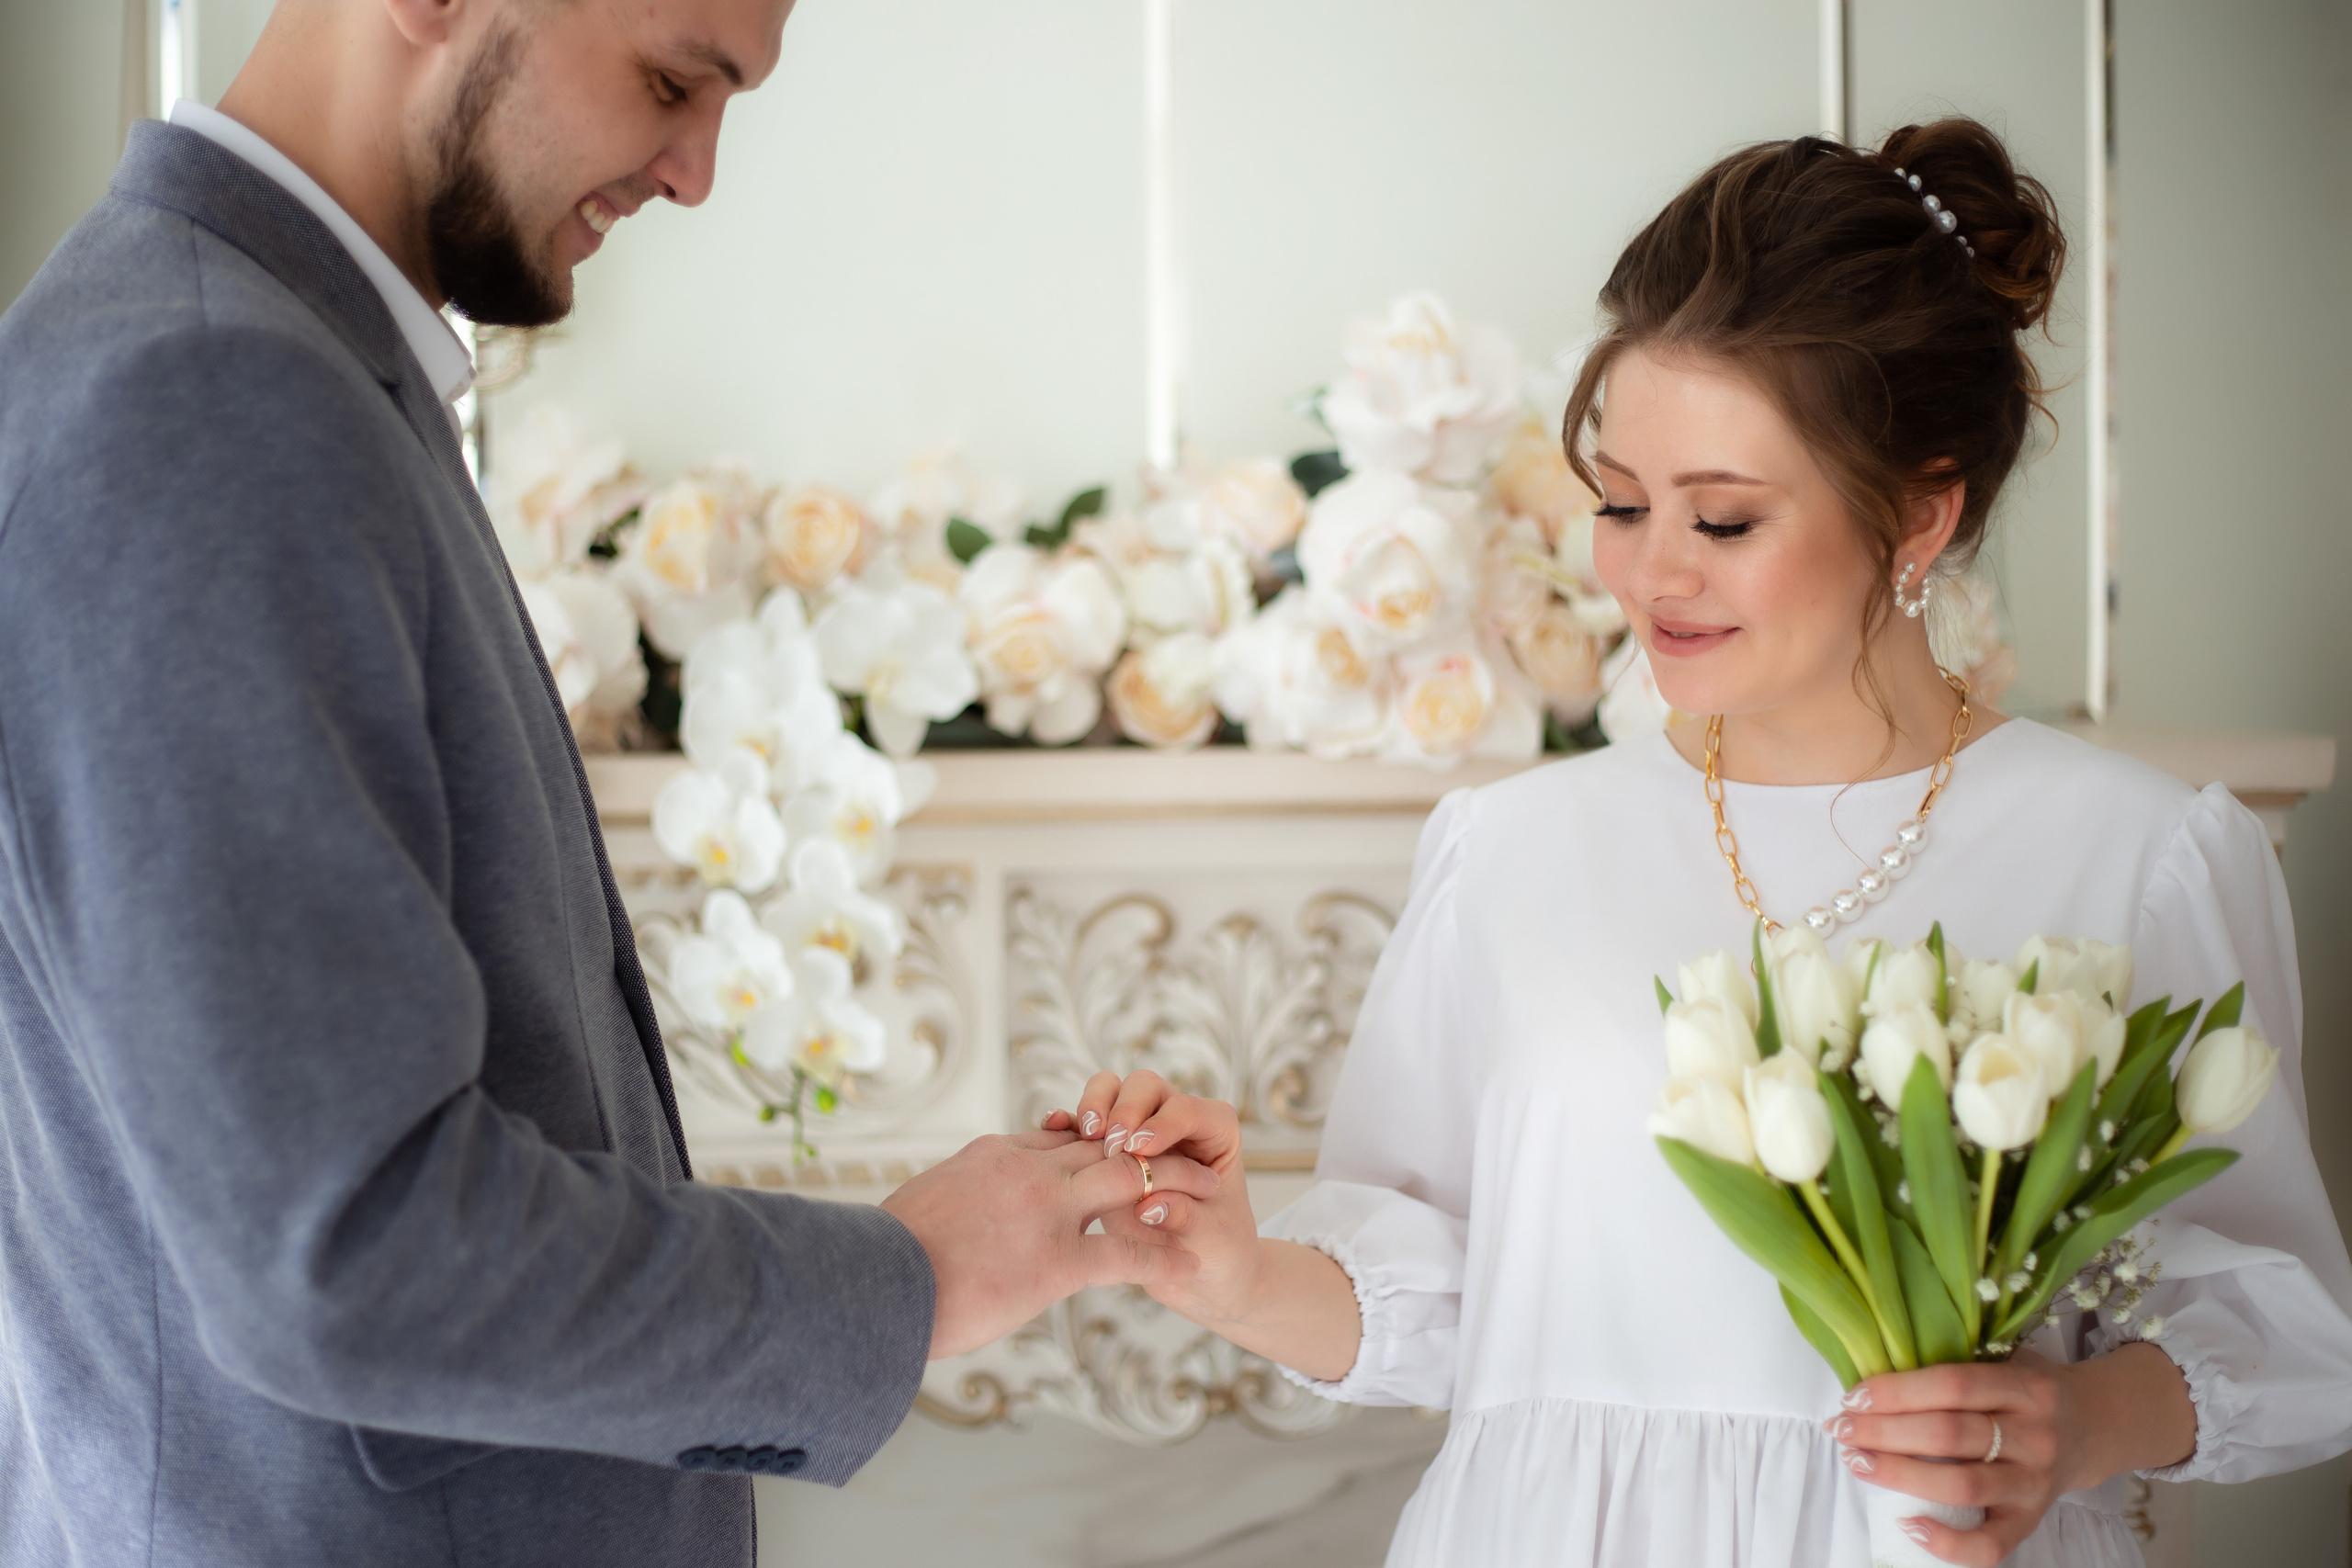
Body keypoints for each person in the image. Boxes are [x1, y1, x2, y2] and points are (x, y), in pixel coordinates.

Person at [0, 3, 1207, 1564]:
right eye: (673, 78)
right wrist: (906, 1279)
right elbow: (345, 1250)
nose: (698, 172)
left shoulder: (264, 357)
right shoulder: (214, 396)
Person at [1055, 118, 2352, 1567]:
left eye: (1723, 519)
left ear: (1924, 513)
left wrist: (2075, 1425)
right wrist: (1234, 1273)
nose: (1649, 571)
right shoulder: (1509, 850)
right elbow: (1450, 1309)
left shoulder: (2138, 855)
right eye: (1619, 502)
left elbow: (2281, 1326)